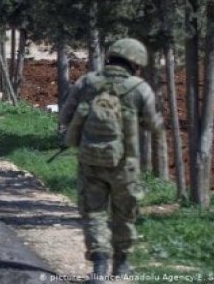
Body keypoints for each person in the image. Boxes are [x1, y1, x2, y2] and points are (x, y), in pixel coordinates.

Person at [59, 38, 165, 282]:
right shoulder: (139, 88)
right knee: (124, 215)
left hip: (90, 162)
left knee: (94, 213)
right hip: (125, 165)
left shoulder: (87, 82)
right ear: (135, 62)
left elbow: (65, 117)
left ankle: (98, 269)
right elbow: (152, 124)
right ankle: (121, 267)